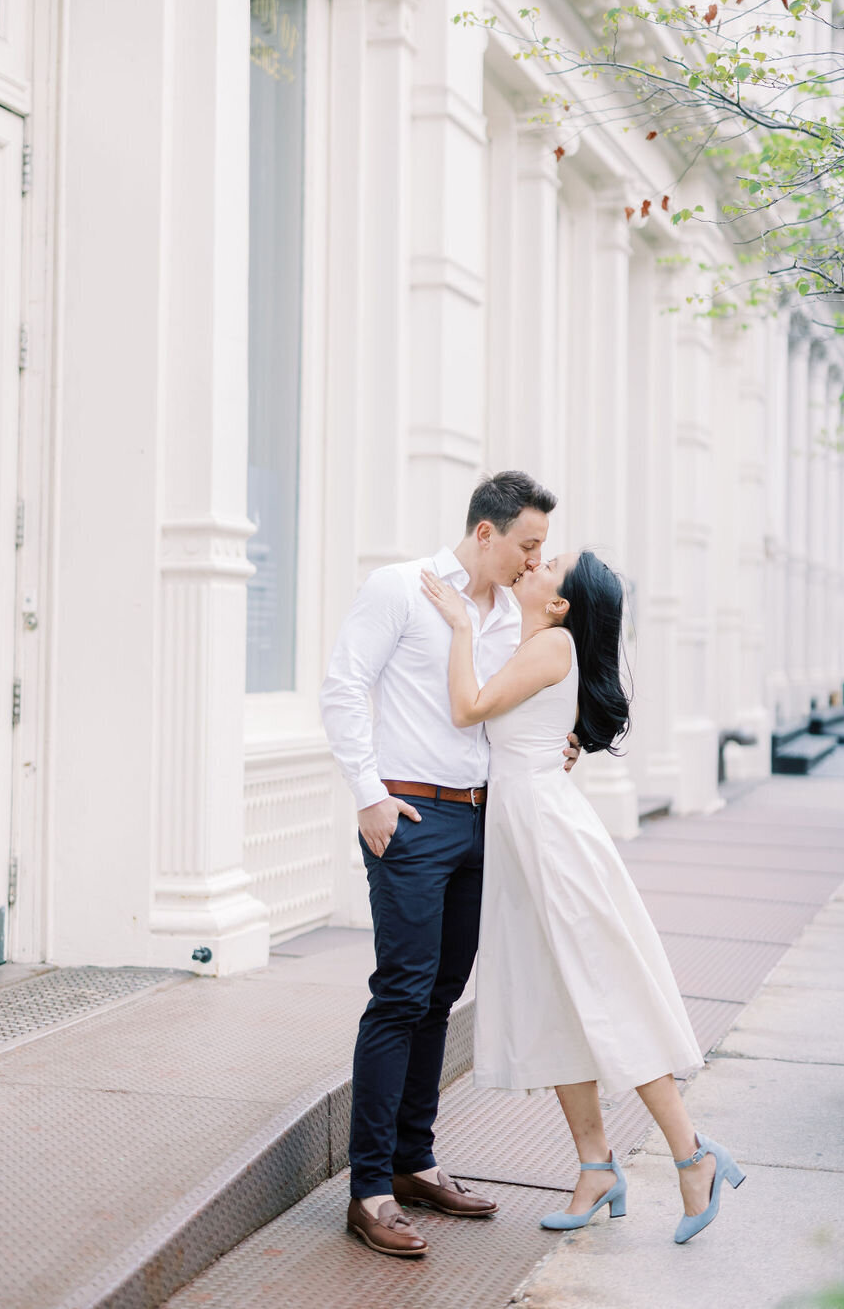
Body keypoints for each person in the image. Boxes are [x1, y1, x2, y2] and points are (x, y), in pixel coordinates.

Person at [420, 549, 746, 1245]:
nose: (534, 561)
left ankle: (694, 1155)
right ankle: (596, 1167)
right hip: (526, 834)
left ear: (560, 600)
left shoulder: (553, 644)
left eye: (549, 563)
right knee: (557, 1001)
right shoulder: (535, 639)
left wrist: (458, 629)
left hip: (551, 840)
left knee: (606, 994)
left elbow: (465, 706)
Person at [320, 471, 579, 1259]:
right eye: (527, 545)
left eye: (542, 548)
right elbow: (343, 687)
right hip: (410, 813)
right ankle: (368, 1188)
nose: (535, 560)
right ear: (485, 533)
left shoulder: (511, 616)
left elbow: (503, 705)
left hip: (480, 818)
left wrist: (553, 743)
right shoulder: (400, 587)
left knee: (440, 993)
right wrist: (368, 793)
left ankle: (414, 1161)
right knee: (399, 992)